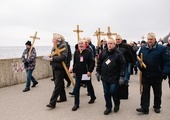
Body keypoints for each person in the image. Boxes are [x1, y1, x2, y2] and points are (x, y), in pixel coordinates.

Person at [136, 33, 169, 114]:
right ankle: (144, 107)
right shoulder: (143, 48)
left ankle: (157, 106)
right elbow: (139, 59)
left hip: (157, 75)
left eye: (151, 39)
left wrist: (165, 72)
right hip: (146, 74)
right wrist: (139, 66)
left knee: (157, 93)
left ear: (155, 39)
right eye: (148, 39)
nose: (149, 41)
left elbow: (167, 62)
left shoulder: (161, 49)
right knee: (145, 92)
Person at [96, 38, 126, 115]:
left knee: (113, 91)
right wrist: (98, 72)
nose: (109, 45)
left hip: (114, 77)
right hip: (105, 77)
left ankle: (116, 103)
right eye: (108, 43)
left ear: (114, 44)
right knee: (106, 93)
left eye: (111, 43)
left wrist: (121, 76)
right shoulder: (103, 52)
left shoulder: (118, 54)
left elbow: (123, 65)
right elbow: (99, 63)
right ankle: (108, 107)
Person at [72, 39, 96, 111]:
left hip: (85, 73)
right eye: (79, 44)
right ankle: (76, 104)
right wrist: (74, 71)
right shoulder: (76, 52)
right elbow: (75, 63)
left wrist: (90, 71)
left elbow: (92, 62)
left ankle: (93, 97)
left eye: (82, 43)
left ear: (85, 44)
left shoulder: (88, 52)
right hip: (78, 74)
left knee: (89, 86)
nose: (81, 45)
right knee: (76, 88)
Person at [46, 33, 68, 109]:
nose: (52, 40)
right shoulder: (55, 46)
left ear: (57, 39)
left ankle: (52, 103)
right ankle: (63, 97)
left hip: (60, 68)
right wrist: (49, 56)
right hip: (55, 67)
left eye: (53, 39)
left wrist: (53, 59)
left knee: (57, 85)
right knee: (60, 84)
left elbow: (63, 57)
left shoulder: (63, 46)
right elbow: (53, 54)